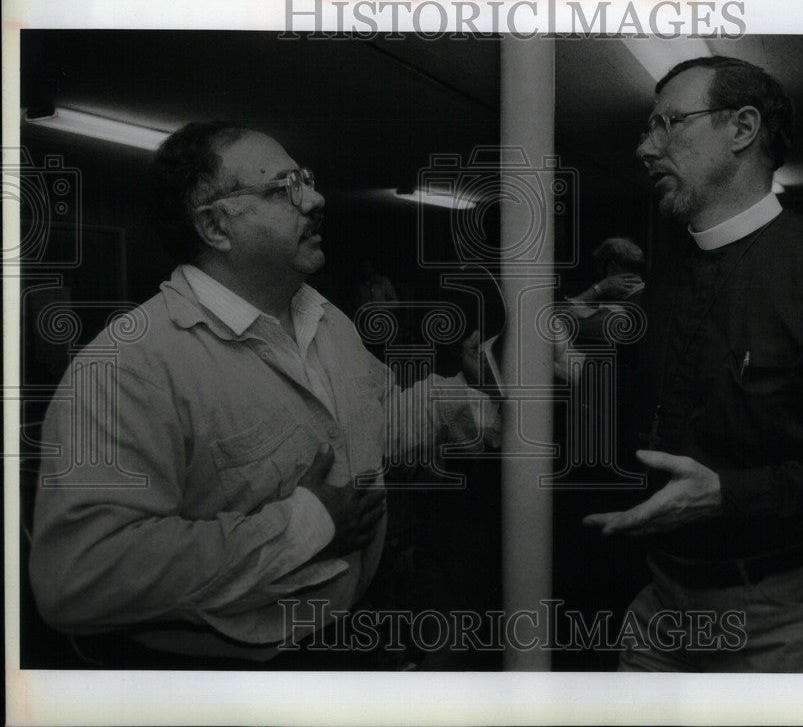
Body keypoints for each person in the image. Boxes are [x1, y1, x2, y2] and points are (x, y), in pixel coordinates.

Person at [29, 122, 497, 668]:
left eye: (307, 180)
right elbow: (80, 577)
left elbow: (378, 427)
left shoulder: (327, 322)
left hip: (346, 632)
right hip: (231, 676)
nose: (317, 199)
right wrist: (310, 524)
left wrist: (479, 380)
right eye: (282, 189)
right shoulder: (130, 367)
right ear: (216, 226)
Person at [584, 56, 803, 672]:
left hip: (790, 621)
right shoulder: (663, 282)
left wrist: (729, 496)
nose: (644, 147)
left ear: (741, 129)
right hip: (663, 605)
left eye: (668, 124)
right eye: (646, 128)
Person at [563, 237, 646, 348]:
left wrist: (599, 288)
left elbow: (559, 320)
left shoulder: (618, 312)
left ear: (612, 266)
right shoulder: (647, 296)